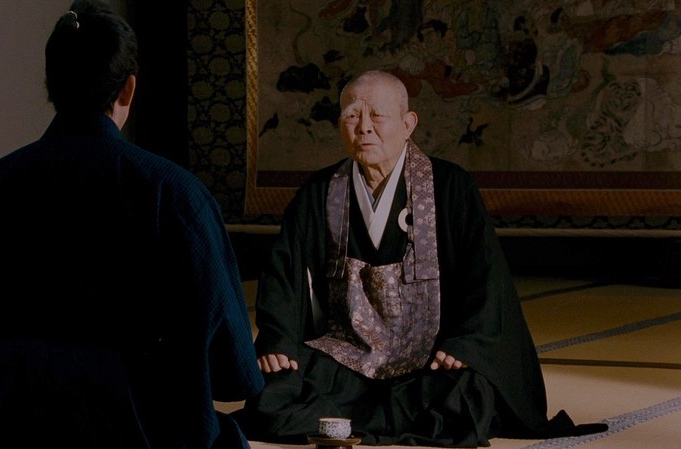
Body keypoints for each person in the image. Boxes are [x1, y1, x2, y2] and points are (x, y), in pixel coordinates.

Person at [0, 1, 264, 448]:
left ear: (50, 85)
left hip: (18, 427)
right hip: (144, 428)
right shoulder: (173, 192)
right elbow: (230, 359)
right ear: (128, 89)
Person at [233, 70, 607, 446]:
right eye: (351, 115)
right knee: (274, 387)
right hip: (349, 354)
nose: (364, 127)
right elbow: (284, 273)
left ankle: (351, 419)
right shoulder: (320, 192)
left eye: (377, 115)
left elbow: (485, 276)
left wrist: (466, 344)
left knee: (467, 390)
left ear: (408, 123)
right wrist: (278, 340)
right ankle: (386, 418)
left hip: (430, 359)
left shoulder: (450, 186)